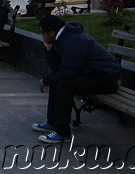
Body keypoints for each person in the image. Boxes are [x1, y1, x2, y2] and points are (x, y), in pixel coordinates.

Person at [32, 15, 120, 143]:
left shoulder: (72, 41)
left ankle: (63, 132)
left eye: (42, 32)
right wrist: (49, 51)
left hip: (107, 79)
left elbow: (68, 71)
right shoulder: (63, 38)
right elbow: (58, 68)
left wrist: (45, 81)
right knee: (58, 81)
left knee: (64, 84)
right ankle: (53, 122)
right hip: (92, 75)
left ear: (51, 32)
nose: (41, 35)